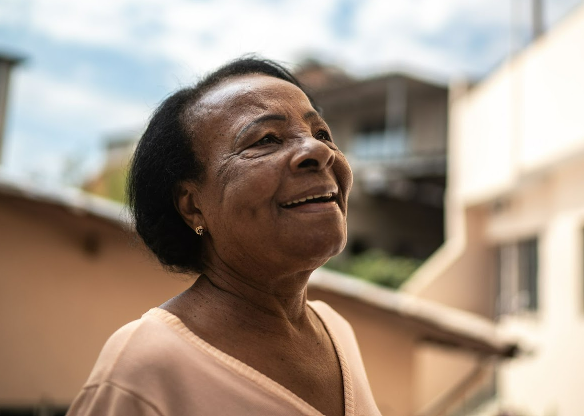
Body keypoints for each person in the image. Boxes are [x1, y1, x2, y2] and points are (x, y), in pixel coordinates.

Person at [67, 58, 381, 416]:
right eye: (266, 139)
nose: (319, 151)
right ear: (192, 206)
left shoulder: (337, 331)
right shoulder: (145, 367)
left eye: (321, 133)